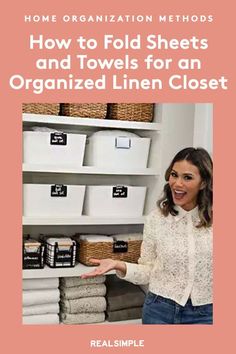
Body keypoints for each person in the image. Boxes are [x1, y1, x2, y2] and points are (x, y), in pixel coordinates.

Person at [81, 147, 213, 325]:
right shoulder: (156, 219)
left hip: (206, 313)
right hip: (160, 311)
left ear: (203, 182)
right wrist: (118, 264)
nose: (177, 184)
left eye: (187, 177)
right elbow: (148, 270)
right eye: (174, 175)